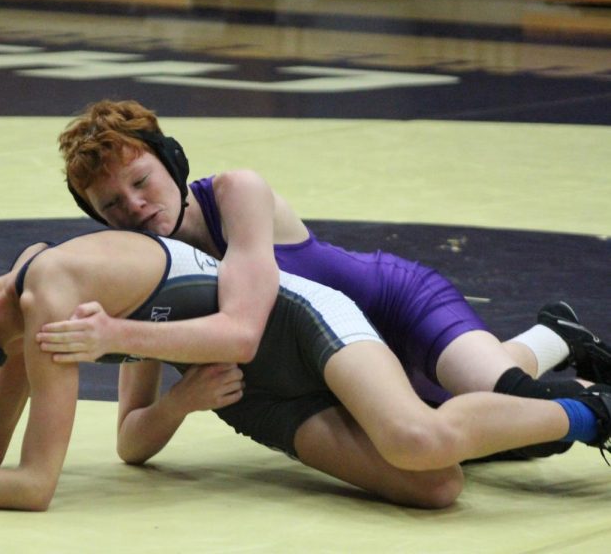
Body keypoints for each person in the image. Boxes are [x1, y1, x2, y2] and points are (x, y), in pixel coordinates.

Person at [0, 231, 611, 511]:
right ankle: (542, 350)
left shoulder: (50, 294)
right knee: (435, 490)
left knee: (417, 437)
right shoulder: (23, 319)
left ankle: (592, 412)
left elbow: (34, 485)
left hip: (294, 323)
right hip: (244, 393)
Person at [49, 98, 611, 465]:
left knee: (516, 406)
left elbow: (243, 329)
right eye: (112, 205)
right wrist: (179, 403)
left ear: (171, 160)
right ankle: (557, 335)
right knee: (463, 439)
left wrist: (118, 334)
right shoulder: (143, 275)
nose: (136, 207)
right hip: (344, 369)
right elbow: (130, 442)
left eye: (141, 181)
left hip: (398, 310)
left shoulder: (235, 193)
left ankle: (571, 377)